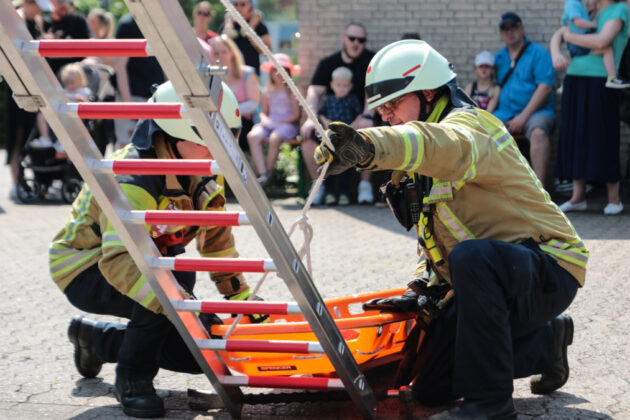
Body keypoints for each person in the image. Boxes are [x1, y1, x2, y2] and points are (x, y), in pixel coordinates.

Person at [313, 39, 587, 419]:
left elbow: (436, 143)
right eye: (382, 109)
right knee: (432, 386)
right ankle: (546, 342)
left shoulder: (471, 128)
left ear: (428, 92)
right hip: (492, 275)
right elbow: (433, 232)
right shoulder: (418, 149)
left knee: (472, 258)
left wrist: (367, 145)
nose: (387, 116)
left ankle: (490, 407)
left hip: (548, 267)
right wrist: (421, 287)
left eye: (393, 104)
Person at [51, 82, 263, 418]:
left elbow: (218, 244)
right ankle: (132, 379)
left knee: (199, 355)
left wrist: (243, 300)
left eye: (227, 138)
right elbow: (120, 259)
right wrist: (181, 304)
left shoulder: (203, 168)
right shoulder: (133, 174)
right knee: (174, 277)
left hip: (149, 266)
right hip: (86, 268)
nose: (220, 150)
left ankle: (96, 340)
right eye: (210, 140)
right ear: (175, 132)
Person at [551, 0, 628, 215]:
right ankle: (578, 198)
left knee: (603, 136)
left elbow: (603, 41)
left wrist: (569, 36)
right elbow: (558, 34)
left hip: (601, 81)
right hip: (575, 79)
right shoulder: (588, 11)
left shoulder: (619, 10)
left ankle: (614, 199)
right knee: (575, 137)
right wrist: (556, 53)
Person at [299, 22, 376, 205]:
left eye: (361, 40)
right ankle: (318, 185)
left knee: (372, 132)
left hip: (359, 118)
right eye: (352, 38)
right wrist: (312, 119)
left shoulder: (372, 62)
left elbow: (373, 91)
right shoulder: (328, 63)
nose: (356, 43)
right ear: (344, 39)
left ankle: (365, 185)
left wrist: (366, 116)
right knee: (307, 135)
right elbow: (314, 92)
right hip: (331, 123)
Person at [493, 12, 556, 184]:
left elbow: (545, 87)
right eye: (505, 29)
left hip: (536, 112)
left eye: (513, 27)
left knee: (538, 133)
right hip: (504, 112)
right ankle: (498, 191)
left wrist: (523, 117)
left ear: (522, 29)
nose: (509, 32)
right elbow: (493, 89)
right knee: (483, 133)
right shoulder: (498, 58)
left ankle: (539, 193)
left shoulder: (538, 53)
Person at [6, 0, 51, 200]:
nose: (41, 11)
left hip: (35, 84)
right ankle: (16, 184)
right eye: (39, 6)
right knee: (17, 138)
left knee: (30, 137)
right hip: (19, 85)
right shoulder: (19, 16)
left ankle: (27, 182)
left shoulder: (35, 19)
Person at [112, 13, 166, 149]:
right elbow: (120, 65)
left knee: (157, 147)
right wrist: (127, 104)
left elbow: (167, 63)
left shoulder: (159, 21)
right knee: (127, 148)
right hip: (133, 96)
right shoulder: (127, 24)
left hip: (156, 97)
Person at [247, 53, 300, 185]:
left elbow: (296, 115)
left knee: (275, 138)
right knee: (253, 136)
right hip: (270, 123)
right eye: (275, 70)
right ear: (270, 72)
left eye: (281, 70)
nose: (278, 73)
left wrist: (279, 122)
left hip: (286, 125)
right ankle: (262, 172)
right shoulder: (267, 91)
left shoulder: (292, 92)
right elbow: (263, 112)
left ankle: (269, 173)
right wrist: (265, 120)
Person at [317, 66, 363, 205]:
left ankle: (344, 193)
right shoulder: (329, 100)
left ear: (350, 86)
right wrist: (325, 122)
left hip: (346, 137)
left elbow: (360, 114)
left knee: (345, 165)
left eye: (345, 86)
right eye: (338, 85)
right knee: (329, 164)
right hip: (331, 137)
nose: (341, 88)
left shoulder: (353, 99)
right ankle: (329, 193)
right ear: (332, 85)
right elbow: (321, 113)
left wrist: (352, 126)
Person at [209, 34, 260, 152]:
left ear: (231, 52)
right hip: (218, 121)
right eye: (216, 53)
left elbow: (254, 103)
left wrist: (229, 112)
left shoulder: (247, 73)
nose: (221, 56)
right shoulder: (210, 76)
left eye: (224, 52)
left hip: (243, 122)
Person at [563, 0, 630, 88]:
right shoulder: (588, 10)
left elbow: (601, 41)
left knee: (607, 49)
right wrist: (555, 51)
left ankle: (612, 77)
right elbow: (560, 33)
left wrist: (569, 37)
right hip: (573, 74)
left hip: (598, 78)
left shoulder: (619, 8)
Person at [32, 62, 91, 154]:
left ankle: (64, 143)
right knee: (41, 115)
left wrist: (82, 100)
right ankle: (45, 138)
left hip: (74, 118)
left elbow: (88, 106)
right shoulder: (63, 91)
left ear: (80, 81)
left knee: (68, 122)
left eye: (72, 82)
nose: (69, 85)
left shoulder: (84, 92)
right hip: (59, 114)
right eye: (67, 82)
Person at [220, 0, 272, 75]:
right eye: (235, 4)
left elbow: (268, 52)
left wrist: (252, 35)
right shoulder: (225, 26)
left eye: (243, 4)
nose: (239, 7)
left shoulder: (259, 26)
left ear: (250, 5)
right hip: (230, 74)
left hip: (251, 74)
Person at [41, 0, 90, 76]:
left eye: (67, 1)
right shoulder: (44, 23)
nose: (64, 4)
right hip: (46, 73)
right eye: (60, 1)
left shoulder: (78, 21)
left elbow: (88, 47)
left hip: (73, 75)